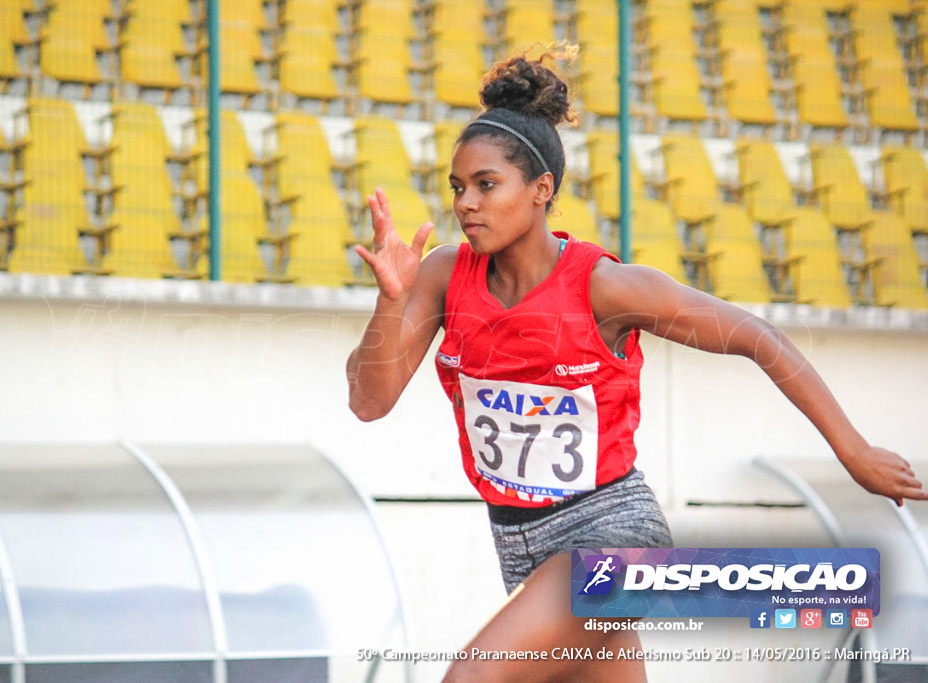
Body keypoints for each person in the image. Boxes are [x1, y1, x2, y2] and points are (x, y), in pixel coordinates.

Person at [345, 45, 927, 682]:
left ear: (541, 190)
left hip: (614, 529)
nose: (466, 204)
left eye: (487, 185)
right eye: (458, 187)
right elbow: (369, 402)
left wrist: (855, 452)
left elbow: (759, 337)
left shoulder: (605, 288)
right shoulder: (442, 275)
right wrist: (390, 300)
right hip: (516, 541)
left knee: (470, 678)